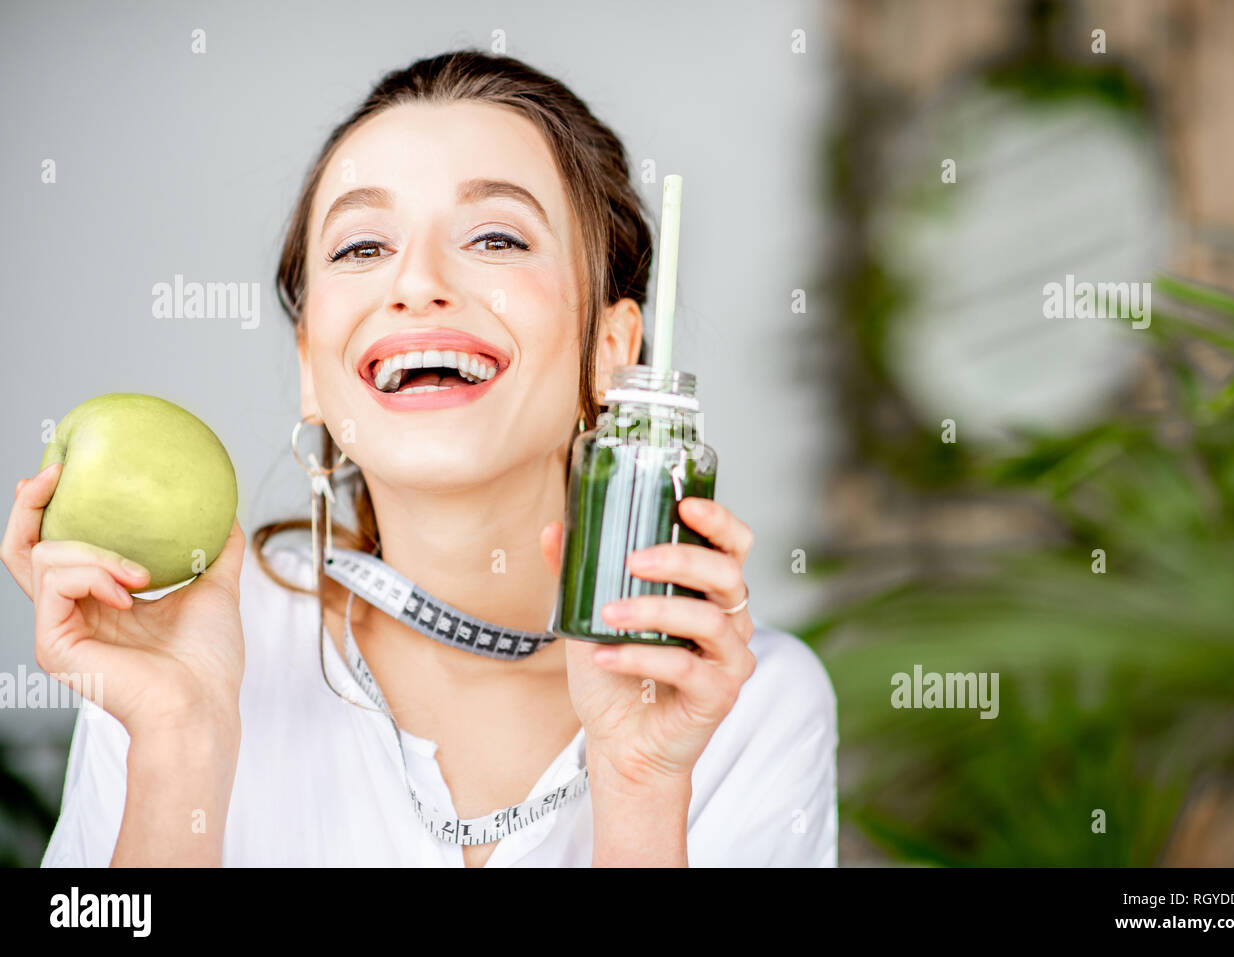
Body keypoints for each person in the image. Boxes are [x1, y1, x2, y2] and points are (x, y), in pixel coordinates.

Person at [3, 50, 837, 867]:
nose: (417, 281)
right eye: (362, 247)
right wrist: (178, 737)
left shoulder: (746, 701)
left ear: (612, 354)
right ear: (311, 367)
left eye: (497, 237)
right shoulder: (184, 644)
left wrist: (643, 781)